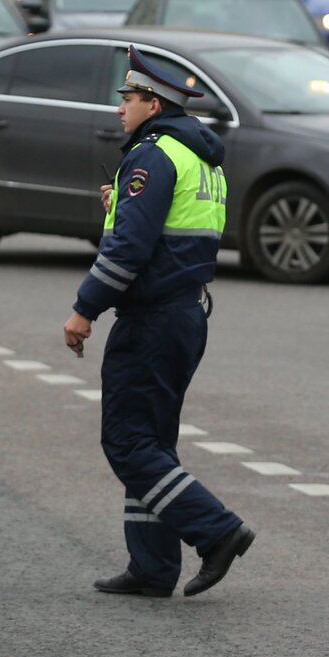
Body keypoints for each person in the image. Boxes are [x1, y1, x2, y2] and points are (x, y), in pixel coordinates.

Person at [63, 46, 254, 598]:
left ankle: (217, 531)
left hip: (152, 318)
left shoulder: (152, 156)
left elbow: (129, 249)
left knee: (126, 441)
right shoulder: (199, 155)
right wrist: (120, 204)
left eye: (128, 99)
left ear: (153, 102)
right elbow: (177, 231)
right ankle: (151, 567)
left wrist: (84, 309)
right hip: (186, 312)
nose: (120, 108)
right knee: (151, 442)